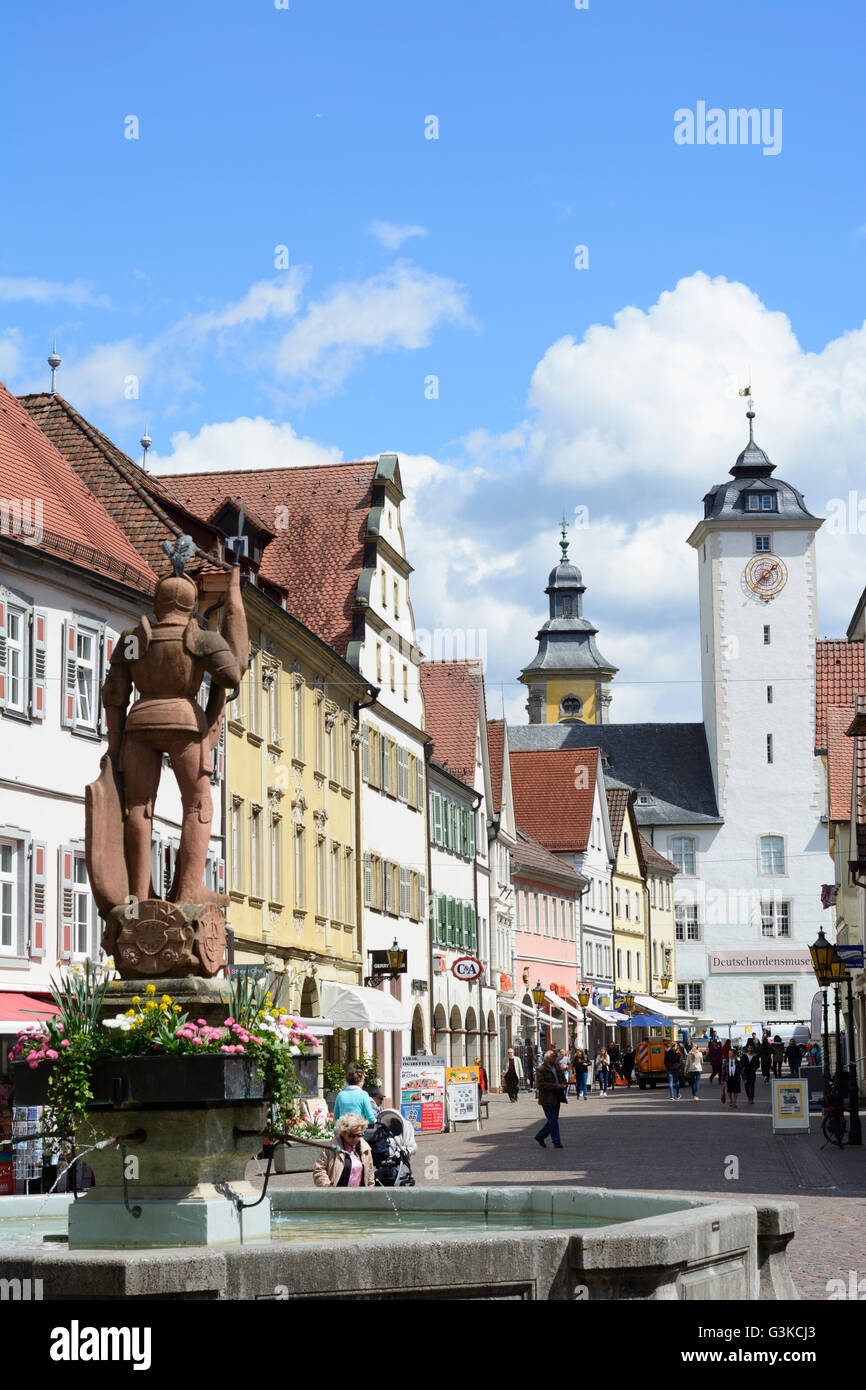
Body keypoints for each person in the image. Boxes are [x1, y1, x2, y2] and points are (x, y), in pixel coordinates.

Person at [313, 1114, 375, 1187]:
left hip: (359, 1195)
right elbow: (319, 1170)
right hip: (336, 1194)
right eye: (352, 1136)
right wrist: (327, 1186)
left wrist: (370, 1191)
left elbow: (370, 1174)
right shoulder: (330, 1148)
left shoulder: (365, 1149)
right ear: (343, 1133)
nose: (356, 1139)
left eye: (359, 1135)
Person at [534, 1049, 568, 1149]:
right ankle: (556, 1141)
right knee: (553, 1119)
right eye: (554, 1056)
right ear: (548, 1058)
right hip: (547, 1098)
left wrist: (564, 1083)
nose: (555, 1058)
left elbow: (562, 1077)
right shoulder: (541, 1069)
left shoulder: (557, 1066)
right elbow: (541, 1084)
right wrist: (556, 1086)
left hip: (557, 1096)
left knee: (553, 1120)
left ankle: (540, 1136)